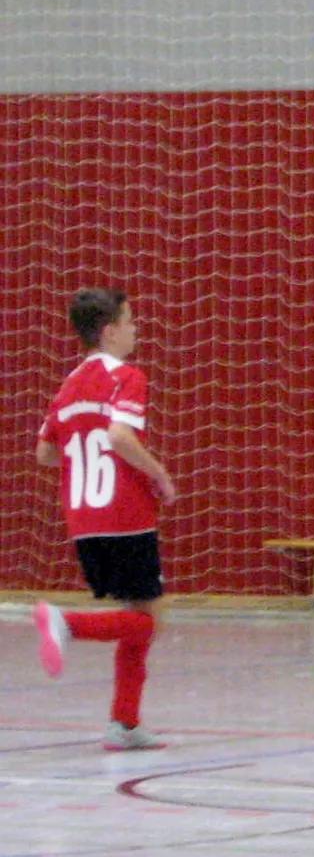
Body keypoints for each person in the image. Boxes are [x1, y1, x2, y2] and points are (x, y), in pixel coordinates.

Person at [32, 287, 179, 750]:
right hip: (125, 515)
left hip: (83, 521)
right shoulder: (127, 377)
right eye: (130, 321)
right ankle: (67, 623)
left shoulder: (69, 384)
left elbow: (44, 453)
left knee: (138, 618)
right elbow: (118, 435)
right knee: (149, 621)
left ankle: (124, 724)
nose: (136, 329)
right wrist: (158, 473)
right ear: (110, 331)